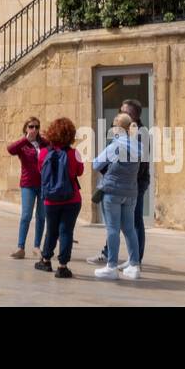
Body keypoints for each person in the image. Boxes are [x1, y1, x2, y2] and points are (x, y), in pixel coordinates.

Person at [88, 98, 149, 269]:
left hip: (129, 185)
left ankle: (128, 261)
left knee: (129, 224)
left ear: (135, 116)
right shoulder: (123, 137)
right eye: (120, 111)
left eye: (126, 112)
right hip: (127, 186)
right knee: (124, 226)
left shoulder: (141, 135)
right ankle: (127, 260)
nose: (121, 114)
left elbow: (100, 163)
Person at [35, 117, 85, 278]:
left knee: (51, 230)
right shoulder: (74, 153)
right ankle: (63, 266)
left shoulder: (43, 153)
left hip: (50, 199)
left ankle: (45, 259)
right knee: (66, 231)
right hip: (72, 199)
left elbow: (40, 171)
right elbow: (80, 171)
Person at [6, 117, 45, 259]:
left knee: (41, 216)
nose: (34, 129)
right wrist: (25, 139)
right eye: (31, 126)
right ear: (26, 128)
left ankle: (37, 247)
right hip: (28, 184)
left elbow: (55, 147)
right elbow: (10, 149)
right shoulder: (22, 145)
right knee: (26, 215)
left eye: (36, 126)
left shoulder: (43, 143)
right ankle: (20, 247)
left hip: (43, 185)